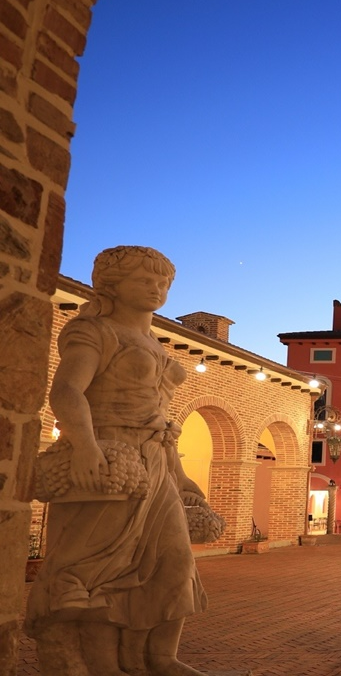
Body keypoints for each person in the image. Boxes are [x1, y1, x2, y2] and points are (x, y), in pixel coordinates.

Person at [25, 246, 209, 676]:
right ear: (111, 284)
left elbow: (162, 419)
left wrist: (180, 475)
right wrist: (86, 446)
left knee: (175, 561)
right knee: (104, 569)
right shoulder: (95, 331)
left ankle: (159, 658)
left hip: (156, 462)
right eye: (145, 280)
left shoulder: (153, 343)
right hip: (113, 460)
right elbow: (67, 391)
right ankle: (103, 665)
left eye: (163, 282)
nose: (157, 288)